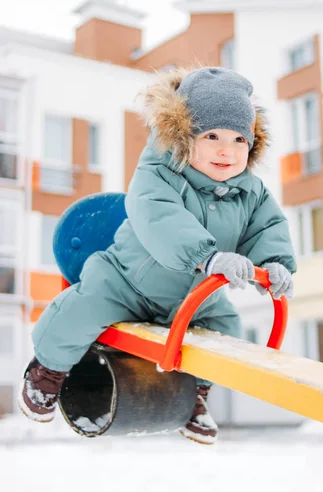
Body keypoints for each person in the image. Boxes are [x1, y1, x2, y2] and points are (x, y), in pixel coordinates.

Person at [19, 66, 296, 445]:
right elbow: (159, 217)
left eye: (238, 140)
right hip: (128, 281)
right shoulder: (159, 174)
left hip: (197, 299)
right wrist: (208, 257)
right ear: (184, 137)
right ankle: (46, 372)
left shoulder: (252, 192)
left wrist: (275, 264)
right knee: (81, 308)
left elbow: (267, 229)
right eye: (211, 135)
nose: (225, 150)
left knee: (227, 329)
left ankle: (193, 397)